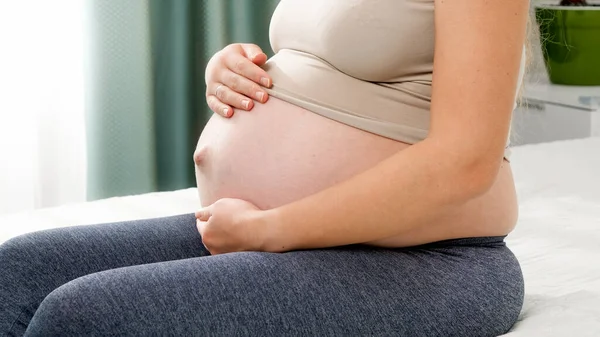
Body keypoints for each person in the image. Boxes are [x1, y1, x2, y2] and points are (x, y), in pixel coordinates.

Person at [0, 0, 530, 335]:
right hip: (285, 231)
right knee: (16, 271)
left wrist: (272, 231)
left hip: (432, 260)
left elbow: (466, 161)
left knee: (85, 319)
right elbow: (331, 62)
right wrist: (231, 70)